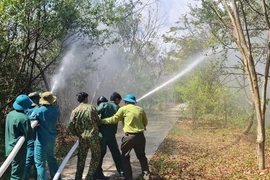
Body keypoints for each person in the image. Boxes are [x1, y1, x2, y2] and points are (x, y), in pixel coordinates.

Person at [100, 94, 150, 180]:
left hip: (129, 137)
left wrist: (102, 121)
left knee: (125, 157)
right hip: (141, 137)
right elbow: (145, 122)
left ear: (126, 101)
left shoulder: (123, 109)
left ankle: (128, 177)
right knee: (142, 156)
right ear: (134, 102)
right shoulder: (140, 110)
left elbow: (114, 119)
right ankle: (146, 176)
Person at [68, 92, 101, 180]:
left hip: (82, 138)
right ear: (85, 98)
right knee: (96, 156)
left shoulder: (74, 111)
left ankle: (78, 177)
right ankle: (89, 177)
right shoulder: (92, 108)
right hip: (93, 137)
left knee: (81, 158)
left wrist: (78, 134)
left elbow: (70, 127)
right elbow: (98, 121)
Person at [29, 91, 60, 180]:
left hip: (41, 141)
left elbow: (30, 118)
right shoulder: (56, 109)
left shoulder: (39, 110)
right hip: (52, 139)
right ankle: (57, 178)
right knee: (52, 160)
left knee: (40, 163)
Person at [94, 92, 124, 179]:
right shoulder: (118, 108)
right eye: (119, 100)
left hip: (102, 135)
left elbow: (95, 112)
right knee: (116, 153)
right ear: (117, 99)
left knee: (100, 154)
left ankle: (97, 173)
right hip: (111, 135)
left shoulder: (104, 105)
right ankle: (122, 171)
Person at [5, 94, 34, 180]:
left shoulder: (10, 114)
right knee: (17, 173)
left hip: (9, 146)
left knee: (16, 170)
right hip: (18, 149)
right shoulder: (24, 118)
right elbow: (29, 135)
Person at [25, 92, 40, 180]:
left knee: (32, 161)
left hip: (28, 138)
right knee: (34, 161)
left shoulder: (26, 109)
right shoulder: (38, 109)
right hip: (36, 138)